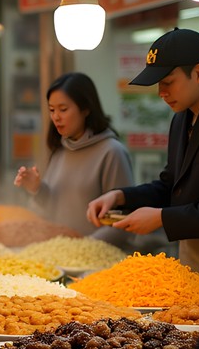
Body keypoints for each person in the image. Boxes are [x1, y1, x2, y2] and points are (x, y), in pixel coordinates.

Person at [86, 27, 199, 273]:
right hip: (193, 259)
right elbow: (171, 186)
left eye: (168, 82)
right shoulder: (181, 119)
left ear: (198, 73)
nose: (161, 93)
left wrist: (162, 218)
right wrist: (121, 197)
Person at [14, 72, 133, 244]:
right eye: (52, 110)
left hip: (99, 262)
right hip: (60, 256)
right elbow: (54, 209)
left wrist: (81, 249)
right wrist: (37, 189)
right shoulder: (59, 149)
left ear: (86, 109)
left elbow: (123, 221)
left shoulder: (111, 152)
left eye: (63, 109)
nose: (56, 117)